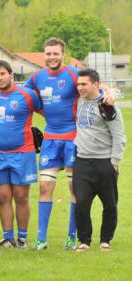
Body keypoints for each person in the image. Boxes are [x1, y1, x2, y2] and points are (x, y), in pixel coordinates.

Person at [24, 38, 117, 250]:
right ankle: (41, 239)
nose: (51, 57)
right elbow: (21, 94)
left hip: (74, 139)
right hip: (50, 139)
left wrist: (109, 93)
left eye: (55, 53)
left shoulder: (74, 74)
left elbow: (96, 85)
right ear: (43, 55)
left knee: (75, 189)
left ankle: (71, 237)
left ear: (62, 55)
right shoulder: (37, 77)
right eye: (48, 53)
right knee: (45, 186)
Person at [0, 60, 42, 248]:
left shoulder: (28, 95)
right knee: (2, 197)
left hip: (22, 153)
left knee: (21, 197)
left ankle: (22, 238)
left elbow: (49, 113)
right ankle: (8, 238)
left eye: (2, 74)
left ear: (11, 74)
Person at [73, 68, 125, 252]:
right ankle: (84, 241)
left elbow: (119, 136)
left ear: (95, 84)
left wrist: (114, 161)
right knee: (81, 204)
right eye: (78, 84)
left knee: (109, 204)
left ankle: (105, 240)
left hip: (105, 162)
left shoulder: (108, 105)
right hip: (82, 161)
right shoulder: (79, 99)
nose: (79, 87)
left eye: (84, 84)